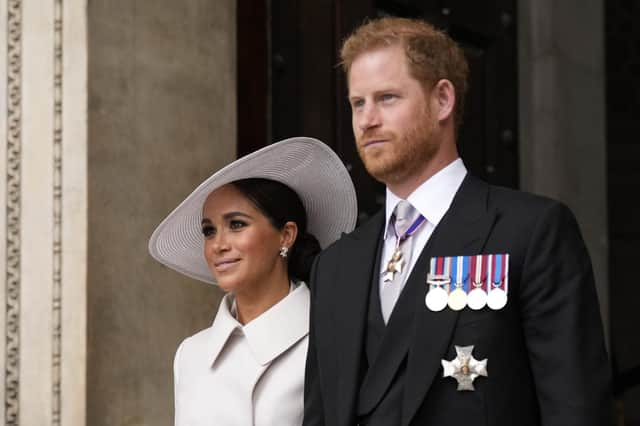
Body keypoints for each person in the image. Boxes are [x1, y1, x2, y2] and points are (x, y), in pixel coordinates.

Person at [303, 17, 612, 426]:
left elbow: (576, 411)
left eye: (388, 98)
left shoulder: (531, 232)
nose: (367, 120)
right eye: (358, 103)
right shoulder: (335, 266)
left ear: (442, 100)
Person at [148, 137, 357, 426]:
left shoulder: (333, 342)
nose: (218, 244)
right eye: (209, 231)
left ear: (286, 235)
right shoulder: (191, 355)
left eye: (236, 224)